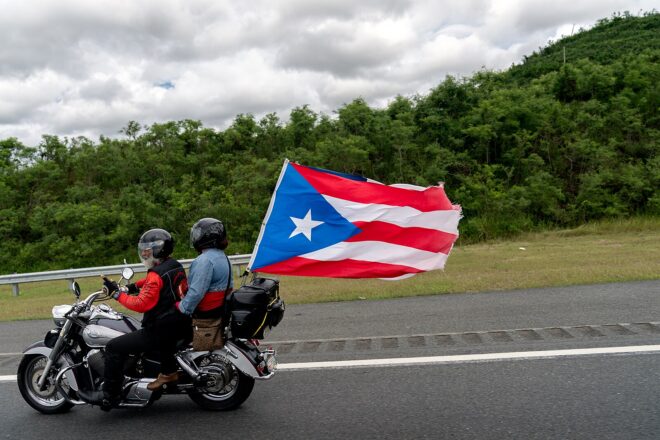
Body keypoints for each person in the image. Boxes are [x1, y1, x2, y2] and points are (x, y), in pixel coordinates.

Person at [78, 228, 191, 410]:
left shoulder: (155, 274)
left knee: (113, 347)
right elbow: (151, 284)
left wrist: (116, 295)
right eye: (144, 249)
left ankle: (110, 395)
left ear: (160, 249)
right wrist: (129, 287)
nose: (145, 252)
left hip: (160, 328)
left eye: (149, 249)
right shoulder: (174, 265)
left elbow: (141, 304)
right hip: (178, 322)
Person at [176, 218, 233, 324]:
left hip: (206, 314)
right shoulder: (223, 256)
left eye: (198, 234)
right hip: (220, 310)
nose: (196, 237)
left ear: (207, 236)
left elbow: (196, 292)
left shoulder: (205, 260)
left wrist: (181, 307)